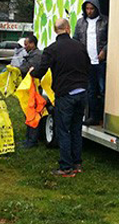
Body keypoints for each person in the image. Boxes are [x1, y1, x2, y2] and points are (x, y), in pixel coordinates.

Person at [32, 18, 90, 176]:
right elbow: (88, 66)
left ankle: (66, 167)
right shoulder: (80, 46)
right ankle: (77, 163)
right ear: (69, 29)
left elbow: (41, 71)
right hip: (82, 93)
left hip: (65, 94)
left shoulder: (51, 49)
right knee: (76, 129)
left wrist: (31, 72)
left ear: (55, 30)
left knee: (63, 130)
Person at [73, 0, 108, 126]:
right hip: (87, 63)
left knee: (104, 90)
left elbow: (113, 37)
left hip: (101, 62)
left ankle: (105, 118)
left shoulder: (105, 21)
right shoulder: (80, 22)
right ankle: (93, 116)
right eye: (87, 8)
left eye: (92, 8)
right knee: (91, 91)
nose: (89, 11)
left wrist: (105, 50)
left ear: (97, 8)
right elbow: (75, 40)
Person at [17, 35, 43, 148]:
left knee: (33, 113)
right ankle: (28, 138)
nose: (24, 46)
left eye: (26, 44)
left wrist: (16, 69)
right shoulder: (31, 55)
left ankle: (32, 140)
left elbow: (27, 68)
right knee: (28, 112)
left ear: (32, 44)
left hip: (35, 89)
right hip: (30, 88)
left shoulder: (37, 55)